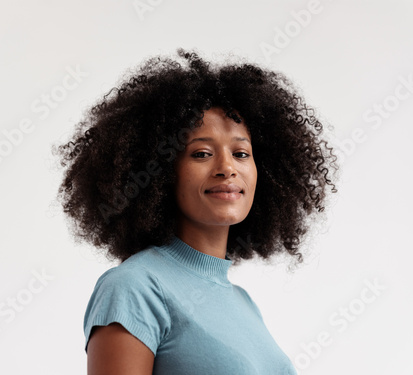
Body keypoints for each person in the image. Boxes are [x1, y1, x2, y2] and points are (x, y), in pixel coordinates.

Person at [53, 48, 339, 374]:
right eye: (201, 153)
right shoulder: (134, 288)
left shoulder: (243, 304)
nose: (227, 167)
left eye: (241, 153)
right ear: (160, 172)